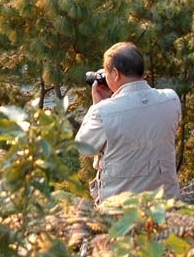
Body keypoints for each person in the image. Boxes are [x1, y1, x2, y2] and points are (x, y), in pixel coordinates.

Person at [74, 42, 181, 204]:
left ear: (115, 74)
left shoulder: (102, 112)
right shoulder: (171, 99)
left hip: (120, 209)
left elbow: (84, 147)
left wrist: (97, 105)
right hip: (166, 203)